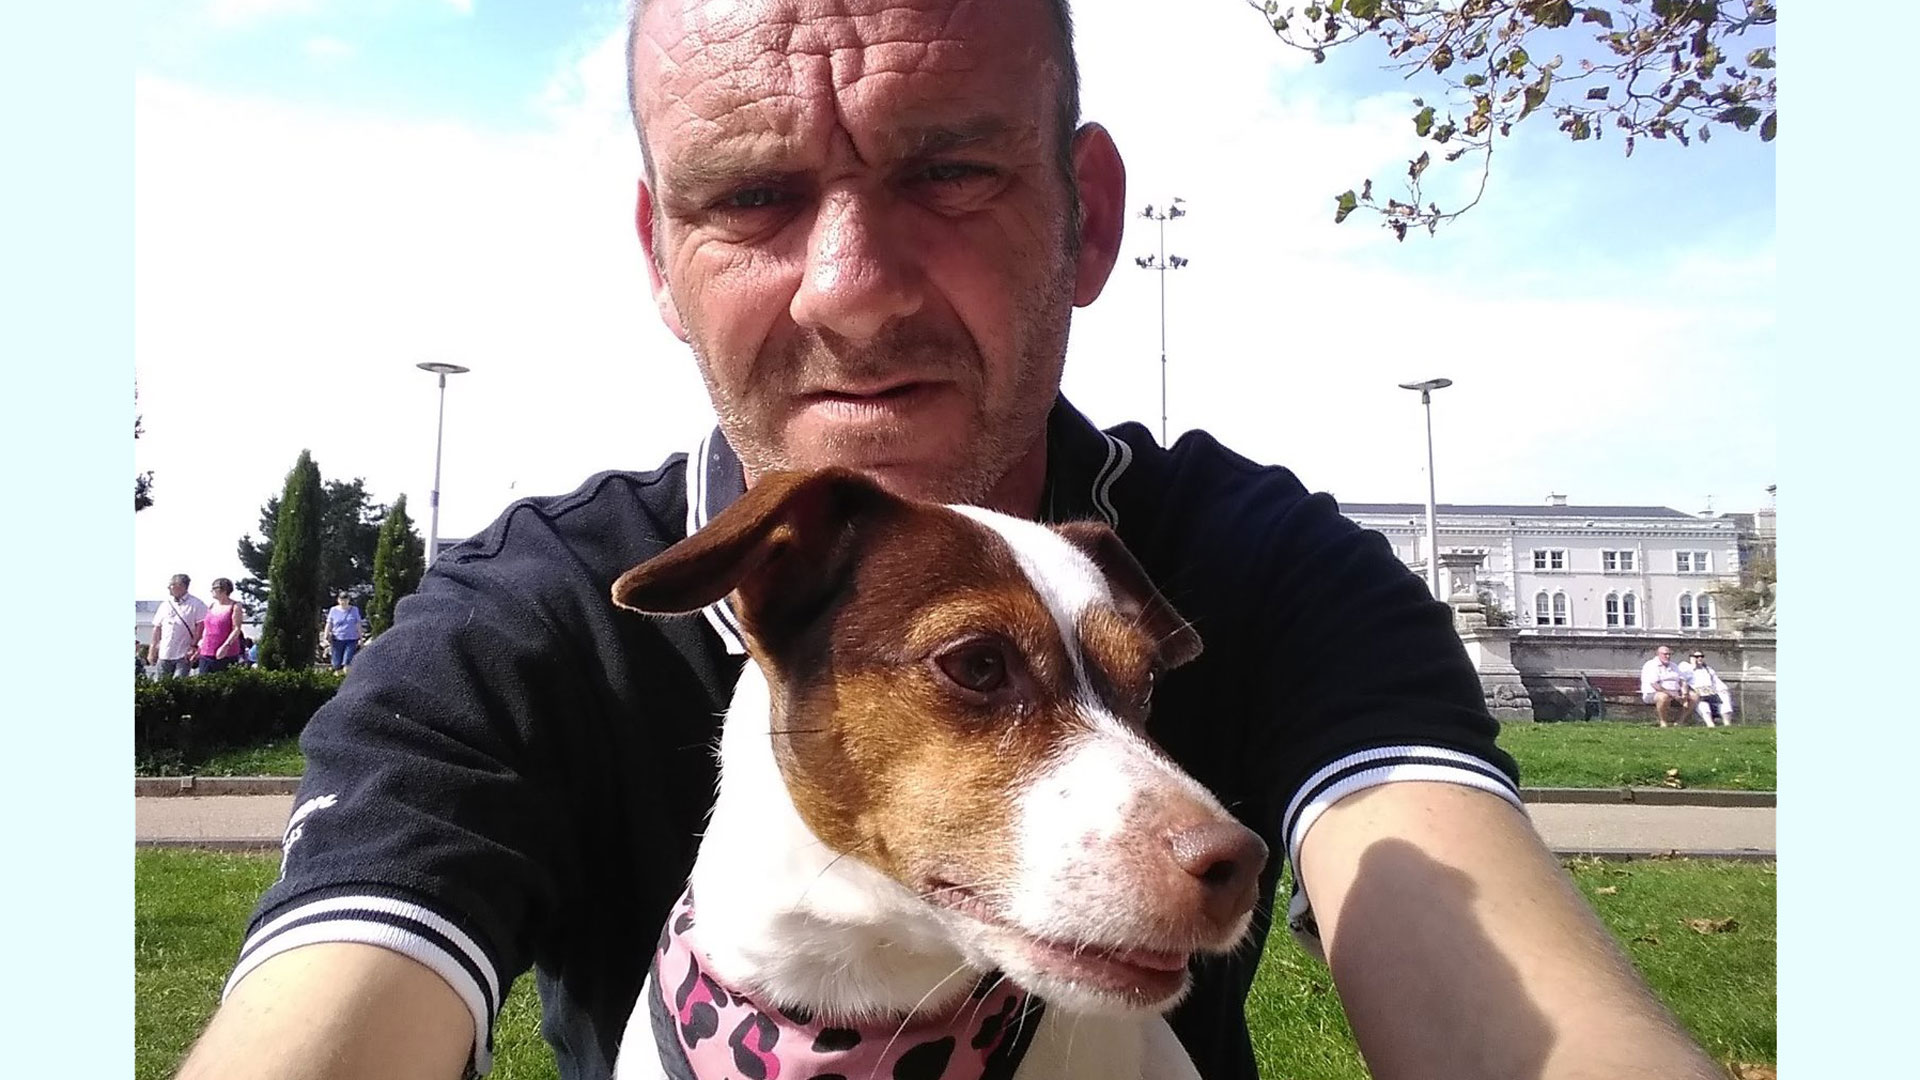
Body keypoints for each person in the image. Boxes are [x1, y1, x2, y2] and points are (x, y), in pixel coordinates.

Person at [179, 3, 1721, 1078]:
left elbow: (1507, 1001)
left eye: (950, 170)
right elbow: (332, 1013)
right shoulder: (523, 624)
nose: (850, 287)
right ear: (663, 255)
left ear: (1090, 215)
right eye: (754, 195)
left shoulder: (1259, 561)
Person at [149, 573, 207, 680]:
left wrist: (193, 646)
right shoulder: (165, 604)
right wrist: (152, 649)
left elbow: (201, 627)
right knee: (161, 684)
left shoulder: (197, 604)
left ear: (181, 586)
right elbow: (157, 628)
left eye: (171, 585)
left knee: (178, 683)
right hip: (165, 653)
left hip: (183, 654)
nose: (168, 588)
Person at [196, 578, 248, 676]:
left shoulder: (235, 606)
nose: (211, 591)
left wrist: (225, 646)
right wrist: (200, 646)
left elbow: (236, 628)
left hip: (225, 653)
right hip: (206, 651)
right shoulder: (211, 606)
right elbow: (207, 628)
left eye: (214, 588)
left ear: (223, 590)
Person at [1639, 644, 1699, 727]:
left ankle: (1680, 721)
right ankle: (1663, 722)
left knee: (1694, 696)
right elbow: (1655, 685)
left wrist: (1684, 693)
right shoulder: (1651, 665)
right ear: (1658, 654)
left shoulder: (1673, 666)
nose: (1667, 656)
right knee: (1663, 697)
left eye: (1669, 654)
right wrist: (1672, 694)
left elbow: (1682, 680)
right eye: (1665, 654)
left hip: (1675, 693)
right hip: (1654, 693)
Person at [1680, 650, 1734, 727]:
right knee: (1703, 705)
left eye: (1701, 656)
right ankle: (1710, 724)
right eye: (1697, 657)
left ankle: (1727, 723)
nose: (1699, 659)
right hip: (1697, 694)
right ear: (1691, 658)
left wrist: (1723, 689)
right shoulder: (1686, 668)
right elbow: (1683, 680)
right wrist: (1693, 666)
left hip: (1711, 692)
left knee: (1725, 698)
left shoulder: (1708, 669)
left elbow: (1716, 681)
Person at [324, 592, 365, 672]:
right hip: (337, 639)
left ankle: (347, 679)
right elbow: (329, 623)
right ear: (338, 600)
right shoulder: (333, 610)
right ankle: (338, 680)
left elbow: (358, 624)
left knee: (347, 661)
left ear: (349, 600)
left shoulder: (354, 610)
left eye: (346, 600)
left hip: (351, 639)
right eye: (342, 600)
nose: (344, 602)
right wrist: (326, 634)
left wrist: (361, 638)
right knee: (336, 664)